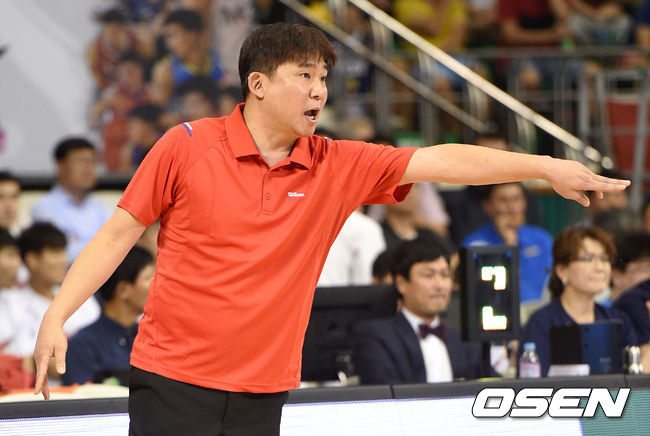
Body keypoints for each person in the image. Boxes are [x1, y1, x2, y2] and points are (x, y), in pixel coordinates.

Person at [34, 23, 630, 435]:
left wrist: (543, 166)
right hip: (173, 377)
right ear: (258, 84)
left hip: (264, 386)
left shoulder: (336, 163)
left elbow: (443, 160)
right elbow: (116, 236)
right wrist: (57, 316)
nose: (319, 90)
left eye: (323, 78)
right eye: (304, 75)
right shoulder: (186, 146)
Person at [352, 236, 493, 384]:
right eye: (428, 275)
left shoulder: (467, 344)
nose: (440, 285)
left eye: (445, 275)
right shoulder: (376, 337)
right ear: (401, 283)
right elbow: (385, 391)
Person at [520, 226, 638, 376]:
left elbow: (633, 378)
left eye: (604, 259)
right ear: (562, 271)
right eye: (588, 259)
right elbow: (533, 384)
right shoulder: (541, 323)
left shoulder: (618, 320)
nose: (600, 267)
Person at [0, 223, 100, 360]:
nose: (64, 260)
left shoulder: (82, 295)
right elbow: (22, 358)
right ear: (32, 259)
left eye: (64, 252)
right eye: (55, 253)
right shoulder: (11, 302)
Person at [62, 247, 154, 386]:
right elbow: (80, 397)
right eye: (148, 278)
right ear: (123, 290)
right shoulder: (83, 345)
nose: (157, 284)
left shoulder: (152, 336)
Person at [462, 182, 553, 304]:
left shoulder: (541, 238)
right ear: (487, 206)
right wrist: (508, 245)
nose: (511, 207)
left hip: (539, 310)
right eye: (503, 200)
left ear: (525, 203)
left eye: (516, 199)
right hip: (497, 310)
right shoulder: (474, 244)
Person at [31, 138, 111, 261]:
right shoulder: (44, 208)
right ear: (60, 165)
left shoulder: (100, 207)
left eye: (93, 162)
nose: (88, 168)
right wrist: (106, 249)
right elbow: (60, 253)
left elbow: (117, 244)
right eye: (81, 161)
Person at [151, 9, 223, 106]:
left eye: (173, 36)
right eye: (167, 38)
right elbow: (160, 110)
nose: (168, 44)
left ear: (192, 34)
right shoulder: (165, 70)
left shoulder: (218, 59)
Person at [317, 208, 386, 286]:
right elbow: (366, 285)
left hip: (336, 291)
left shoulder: (366, 228)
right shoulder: (366, 228)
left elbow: (367, 282)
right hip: (329, 291)